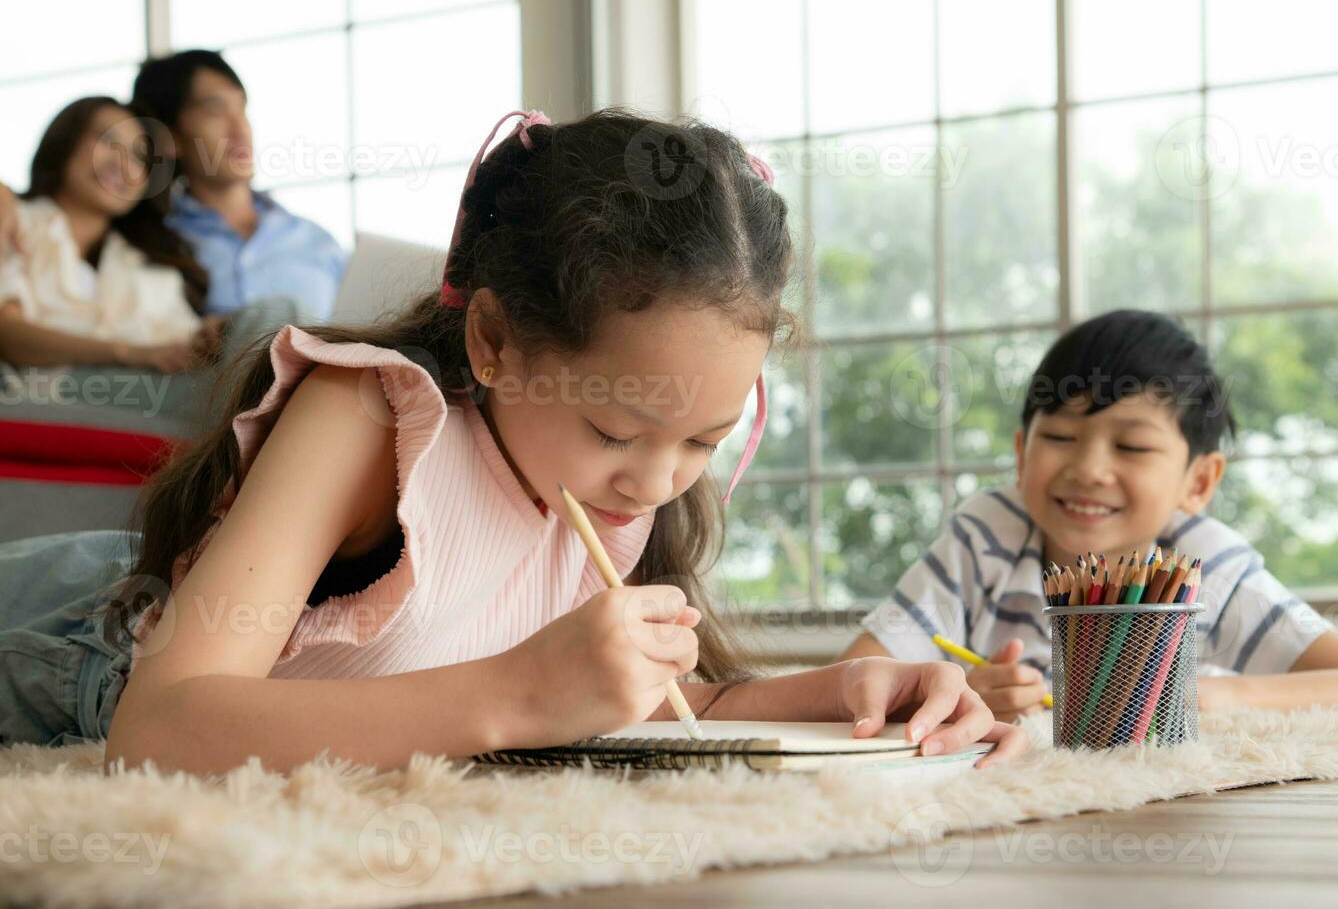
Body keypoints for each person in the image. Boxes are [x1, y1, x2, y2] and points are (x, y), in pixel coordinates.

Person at [0, 109, 1028, 775]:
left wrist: (847, 689)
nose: (660, 479)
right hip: (65, 631)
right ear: (494, 339)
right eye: (617, 428)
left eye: (705, 440)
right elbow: (161, 725)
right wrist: (515, 694)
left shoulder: (612, 480)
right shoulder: (372, 420)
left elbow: (659, 702)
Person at [841, 310, 1338, 720]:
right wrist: (957, 692)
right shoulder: (988, 536)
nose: (1089, 469)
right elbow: (852, 679)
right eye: (1062, 436)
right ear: (1021, 455)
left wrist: (1214, 696)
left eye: (1133, 447)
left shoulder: (1204, 566)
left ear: (1200, 480)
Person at [0, 96, 220, 373]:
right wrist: (129, 354)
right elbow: (6, 334)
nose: (122, 164)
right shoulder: (12, 220)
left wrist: (214, 334)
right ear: (66, 142)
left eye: (139, 157)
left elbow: (185, 346)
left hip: (142, 404)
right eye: (107, 140)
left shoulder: (146, 264)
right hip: (43, 401)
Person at [130, 50, 346, 322]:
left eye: (242, 109)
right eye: (215, 111)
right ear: (170, 136)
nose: (240, 129)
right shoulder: (152, 248)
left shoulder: (318, 243)